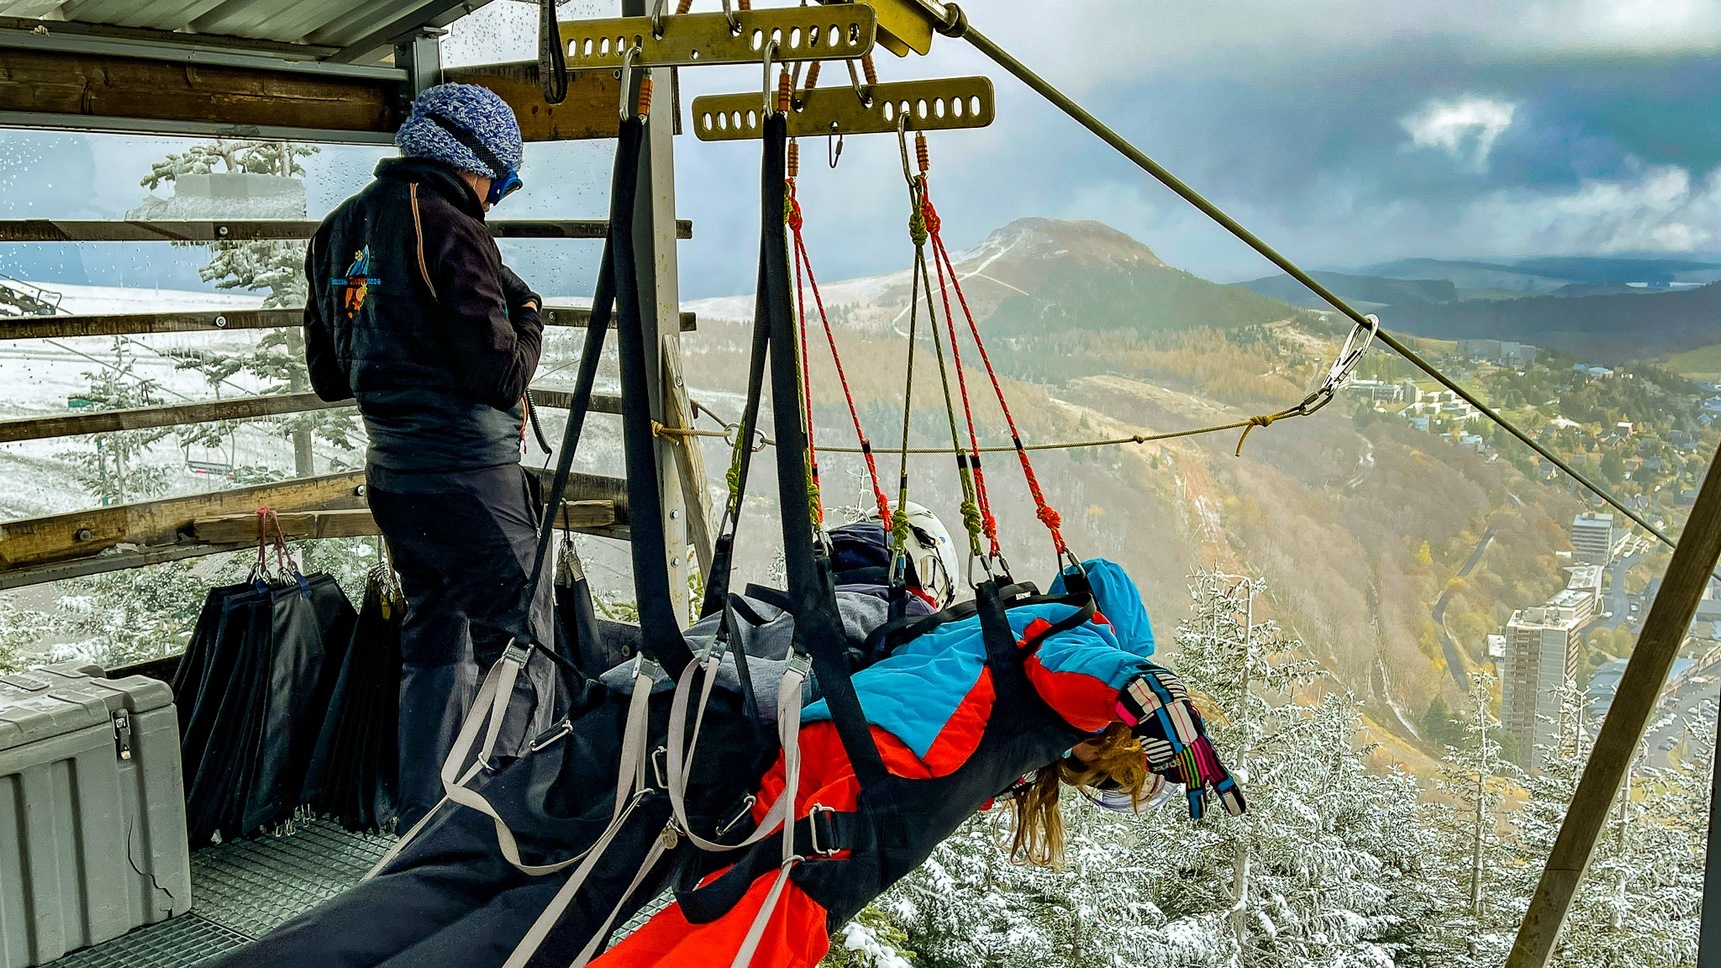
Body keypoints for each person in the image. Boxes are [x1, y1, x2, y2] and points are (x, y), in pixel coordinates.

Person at [588, 558, 1243, 968]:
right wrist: (1168, 712)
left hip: (826, 746)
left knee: (729, 911)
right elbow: (1120, 677)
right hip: (878, 783)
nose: (1087, 767)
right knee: (774, 933)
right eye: (1108, 773)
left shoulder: (1020, 623)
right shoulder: (1084, 654)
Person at [302, 81, 553, 829]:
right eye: (498, 178)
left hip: (395, 477)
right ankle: (514, 814)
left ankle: (424, 817)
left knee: (435, 635)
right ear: (471, 158)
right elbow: (500, 372)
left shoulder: (337, 231)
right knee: (524, 640)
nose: (495, 197)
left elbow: (326, 378)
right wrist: (531, 317)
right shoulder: (446, 223)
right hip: (471, 477)